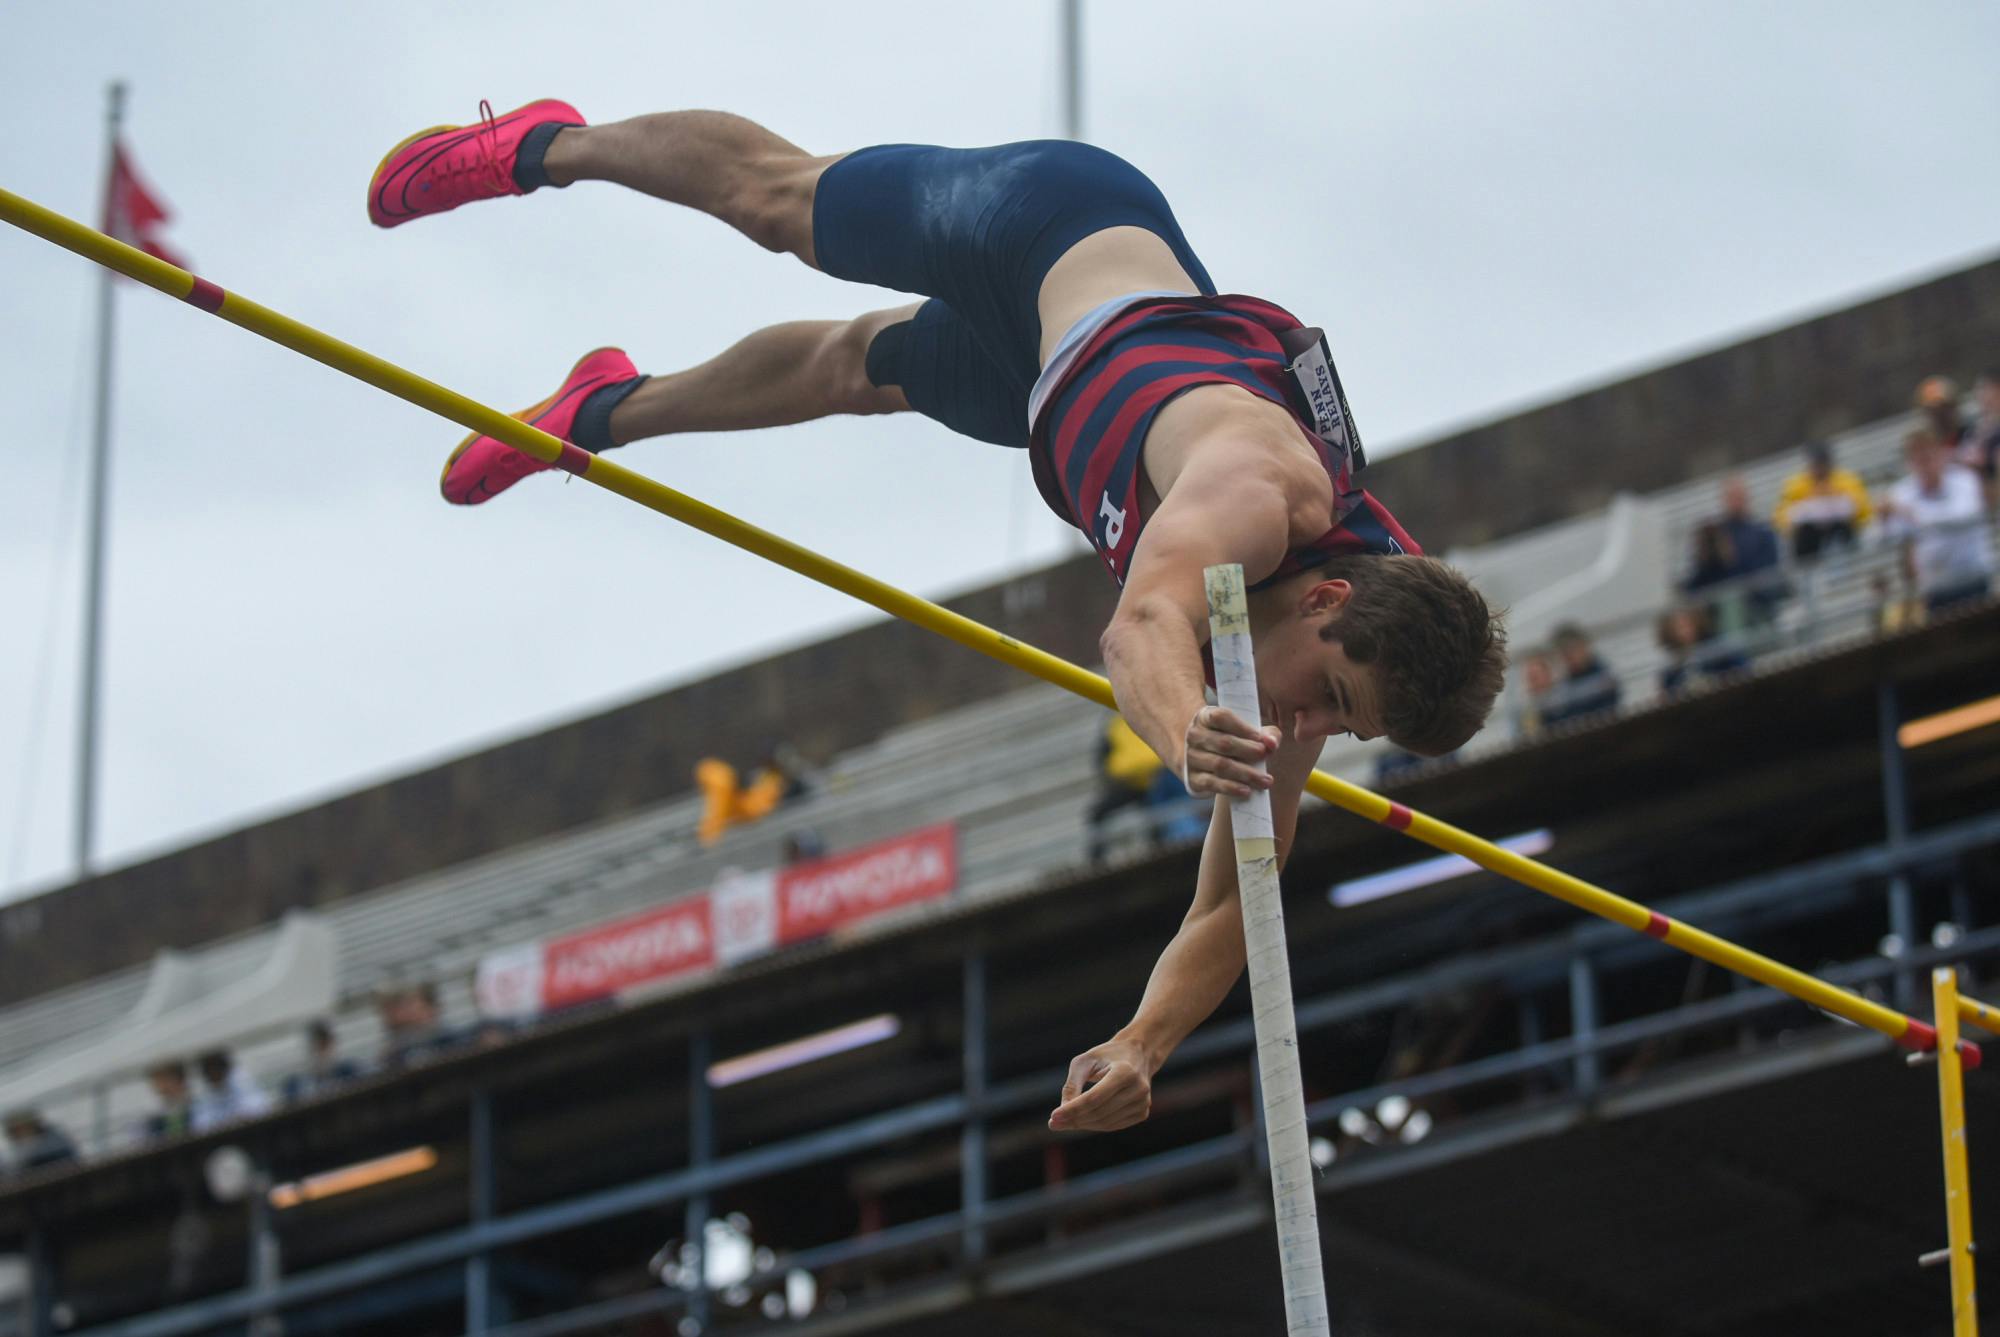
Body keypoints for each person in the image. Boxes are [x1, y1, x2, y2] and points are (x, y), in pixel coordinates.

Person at [369, 100, 1506, 1135]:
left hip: (1040, 385)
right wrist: (1181, 740)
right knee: (777, 205)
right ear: (1326, 596)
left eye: (1339, 726)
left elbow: (1229, 900)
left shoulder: (1333, 662)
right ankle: (543, 148)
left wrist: (1139, 1043)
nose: (1312, 721)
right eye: (1333, 696)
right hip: (1051, 233)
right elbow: (1137, 628)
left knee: (844, 368)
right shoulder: (1257, 488)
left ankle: (603, 406)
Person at [1881, 427, 1994, 615]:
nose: (1924, 465)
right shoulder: (1901, 493)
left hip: (1973, 579)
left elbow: (1960, 518)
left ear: (1940, 454)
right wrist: (1884, 519)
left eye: (1927, 457)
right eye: (1916, 459)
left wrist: (1909, 513)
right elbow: (1890, 535)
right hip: (1934, 589)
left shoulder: (1964, 480)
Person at [1774, 440, 1872, 562]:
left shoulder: (1846, 480)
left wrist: (1832, 499)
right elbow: (1782, 519)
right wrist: (1808, 509)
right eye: (1816, 463)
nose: (1819, 468)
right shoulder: (1795, 485)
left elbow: (1862, 510)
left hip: (1843, 535)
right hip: (1809, 541)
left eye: (1822, 463)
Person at [1656, 604, 1748, 696]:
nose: (1685, 630)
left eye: (1688, 623)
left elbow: (1742, 668)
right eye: (1678, 626)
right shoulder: (1671, 671)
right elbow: (1668, 695)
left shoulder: (1716, 650)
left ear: (1697, 622)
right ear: (1669, 631)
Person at [1540, 623, 1621, 726]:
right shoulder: (1563, 684)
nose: (1568, 658)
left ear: (1584, 647)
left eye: (1571, 651)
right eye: (1563, 653)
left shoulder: (1603, 678)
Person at [191, 1048, 275, 1132]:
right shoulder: (203, 1098)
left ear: (225, 1069)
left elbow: (262, 1108)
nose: (214, 1074)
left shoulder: (243, 1083)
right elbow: (200, 1126)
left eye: (217, 1069)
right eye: (209, 1072)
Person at [283, 1019, 364, 1103]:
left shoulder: (349, 1072)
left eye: (324, 1045)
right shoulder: (295, 1086)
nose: (320, 1053)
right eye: (315, 1046)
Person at [3, 1108, 78, 1175]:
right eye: (15, 1133)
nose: (18, 1138)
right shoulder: (22, 1151)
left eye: (20, 1130)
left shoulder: (53, 1143)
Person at [142, 1059, 195, 1142]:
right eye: (157, 1081)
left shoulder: (197, 1107)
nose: (160, 1086)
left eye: (164, 1080)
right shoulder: (155, 1116)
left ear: (179, 1080)